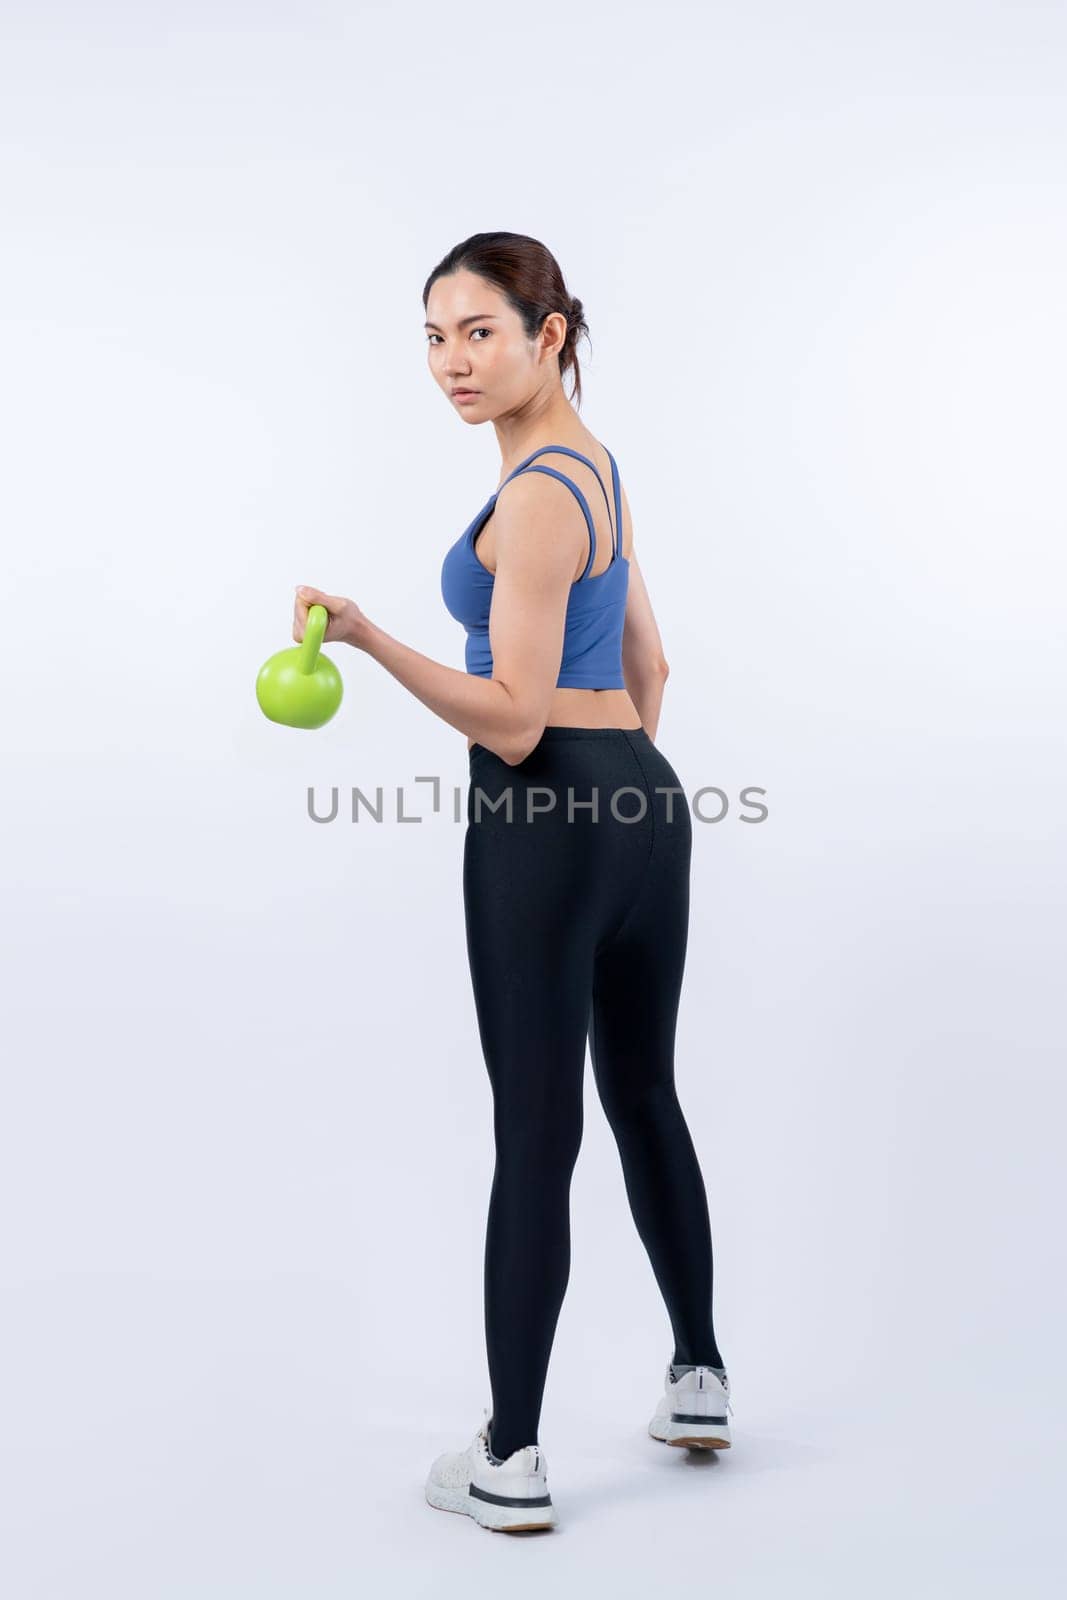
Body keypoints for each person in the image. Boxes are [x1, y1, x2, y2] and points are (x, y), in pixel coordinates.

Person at [293, 231, 731, 1535]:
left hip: (547, 813)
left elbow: (516, 722)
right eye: (433, 336)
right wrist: (625, 804)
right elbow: (651, 666)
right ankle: (698, 1375)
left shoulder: (537, 492)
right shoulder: (601, 474)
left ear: (548, 335)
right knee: (642, 1094)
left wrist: (371, 637)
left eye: (479, 330)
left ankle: (512, 1456)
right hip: (647, 807)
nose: (451, 362)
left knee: (536, 1133)